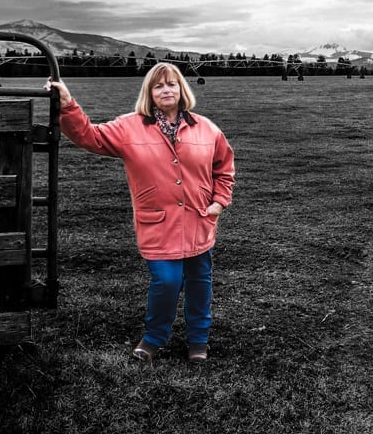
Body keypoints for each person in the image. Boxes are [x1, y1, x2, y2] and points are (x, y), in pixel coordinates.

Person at [46, 63, 235, 363]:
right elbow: (88, 136)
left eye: (172, 84)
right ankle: (154, 338)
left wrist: (219, 201)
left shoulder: (206, 128)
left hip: (200, 221)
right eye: (159, 86)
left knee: (200, 282)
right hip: (158, 224)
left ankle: (198, 340)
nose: (166, 90)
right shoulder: (128, 127)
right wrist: (68, 104)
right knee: (167, 281)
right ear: (149, 93)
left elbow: (223, 166)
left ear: (182, 89)